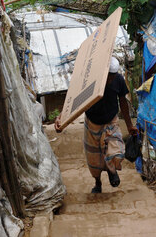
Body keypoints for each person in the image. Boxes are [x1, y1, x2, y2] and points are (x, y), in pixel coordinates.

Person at [55, 57, 138, 193]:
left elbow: (123, 102)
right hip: (92, 123)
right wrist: (61, 119)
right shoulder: (89, 82)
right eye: (109, 76)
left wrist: (129, 125)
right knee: (94, 158)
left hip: (110, 121)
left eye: (113, 76)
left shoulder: (118, 80)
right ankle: (97, 183)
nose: (111, 79)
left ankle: (112, 171)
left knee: (115, 151)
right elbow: (73, 101)